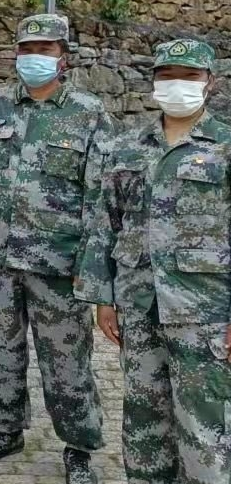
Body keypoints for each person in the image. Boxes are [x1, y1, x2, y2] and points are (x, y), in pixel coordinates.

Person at [0, 13, 109, 484]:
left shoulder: (89, 114)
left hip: (59, 265)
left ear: (63, 56)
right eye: (27, 49)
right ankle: (5, 431)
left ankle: (79, 448)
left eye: (45, 49)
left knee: (66, 364)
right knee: (0, 353)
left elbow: (100, 198)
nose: (34, 57)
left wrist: (92, 269)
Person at [76, 39, 231, 484]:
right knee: (144, 417)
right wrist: (103, 298)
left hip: (205, 311)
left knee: (205, 424)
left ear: (210, 82)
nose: (177, 84)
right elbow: (105, 222)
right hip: (139, 305)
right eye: (167, 75)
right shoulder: (127, 146)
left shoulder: (224, 146)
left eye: (189, 75)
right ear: (154, 82)